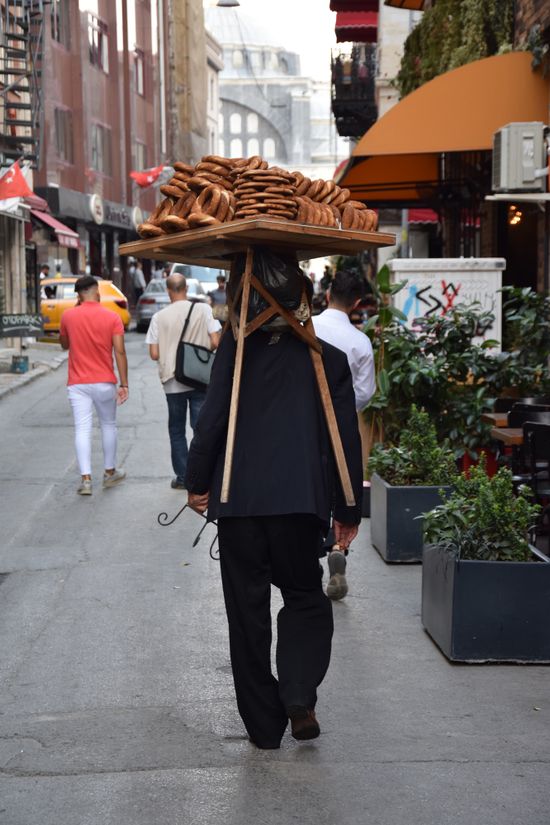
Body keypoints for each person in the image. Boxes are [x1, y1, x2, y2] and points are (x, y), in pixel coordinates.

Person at [184, 281, 363, 749]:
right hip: (300, 504)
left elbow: (211, 419)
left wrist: (196, 481)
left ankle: (264, 727)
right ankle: (299, 696)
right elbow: (345, 438)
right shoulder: (326, 359)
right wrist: (348, 509)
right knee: (304, 597)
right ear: (303, 304)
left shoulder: (236, 353)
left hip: (240, 503)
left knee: (247, 614)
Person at [312, 270, 375, 601]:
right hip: (343, 422)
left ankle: (311, 550)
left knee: (311, 484)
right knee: (342, 484)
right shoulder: (360, 342)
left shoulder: (307, 328)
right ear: (357, 303)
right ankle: (338, 545)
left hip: (306, 421)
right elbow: (364, 393)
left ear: (327, 295)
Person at [146, 272, 221, 489]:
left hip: (172, 381)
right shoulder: (204, 309)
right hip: (199, 378)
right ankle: (203, 475)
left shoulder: (158, 317)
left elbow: (154, 353)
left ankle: (183, 477)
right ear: (186, 288)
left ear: (168, 291)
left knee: (177, 430)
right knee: (201, 428)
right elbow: (216, 341)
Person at [59, 275, 128, 496]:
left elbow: (64, 345)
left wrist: (73, 317)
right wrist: (124, 383)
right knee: (108, 425)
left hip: (77, 382)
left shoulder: (68, 316)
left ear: (78, 295)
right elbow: (119, 351)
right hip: (104, 381)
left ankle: (86, 479)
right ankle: (109, 472)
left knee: (82, 428)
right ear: (97, 292)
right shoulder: (112, 317)